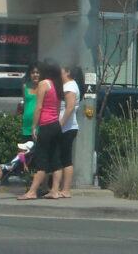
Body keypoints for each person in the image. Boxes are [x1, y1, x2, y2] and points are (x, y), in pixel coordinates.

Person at [17, 60, 63, 200]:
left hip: (46, 124)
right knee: (55, 160)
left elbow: (39, 107)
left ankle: (32, 192)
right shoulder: (57, 85)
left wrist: (34, 126)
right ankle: (55, 190)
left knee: (41, 160)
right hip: (55, 124)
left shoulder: (44, 84)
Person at [49, 65, 82, 199]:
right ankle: (62, 189)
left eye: (61, 70)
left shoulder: (69, 86)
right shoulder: (70, 85)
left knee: (61, 158)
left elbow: (69, 108)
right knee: (64, 158)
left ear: (68, 72)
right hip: (67, 127)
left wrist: (60, 124)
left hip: (66, 128)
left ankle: (61, 189)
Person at [21, 64, 40, 140]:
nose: (35, 75)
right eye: (33, 72)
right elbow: (25, 103)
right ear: (30, 74)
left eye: (37, 72)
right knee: (26, 149)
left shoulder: (43, 87)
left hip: (40, 123)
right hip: (27, 122)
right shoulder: (25, 86)